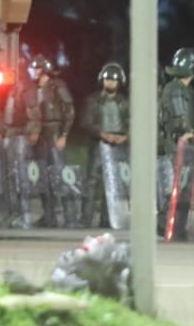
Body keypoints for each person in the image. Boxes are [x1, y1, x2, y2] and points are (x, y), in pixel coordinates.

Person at [23, 55, 76, 225]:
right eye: (35, 67)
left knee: (61, 175)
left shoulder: (57, 86)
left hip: (55, 131)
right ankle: (49, 215)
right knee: (41, 175)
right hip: (40, 134)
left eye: (38, 67)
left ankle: (70, 216)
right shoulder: (32, 88)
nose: (35, 71)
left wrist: (64, 135)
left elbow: (69, 110)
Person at [81, 62, 129, 227]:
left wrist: (125, 137)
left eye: (113, 80)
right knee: (91, 182)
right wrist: (103, 134)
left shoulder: (124, 102)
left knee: (114, 183)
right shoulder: (93, 100)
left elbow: (130, 121)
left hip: (118, 147)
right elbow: (86, 122)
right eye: (107, 80)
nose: (110, 83)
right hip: (98, 145)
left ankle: (108, 220)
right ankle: (86, 219)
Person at [159, 48, 194, 156]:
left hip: (186, 143)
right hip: (176, 145)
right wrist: (193, 134)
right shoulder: (174, 88)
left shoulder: (187, 89)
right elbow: (180, 119)